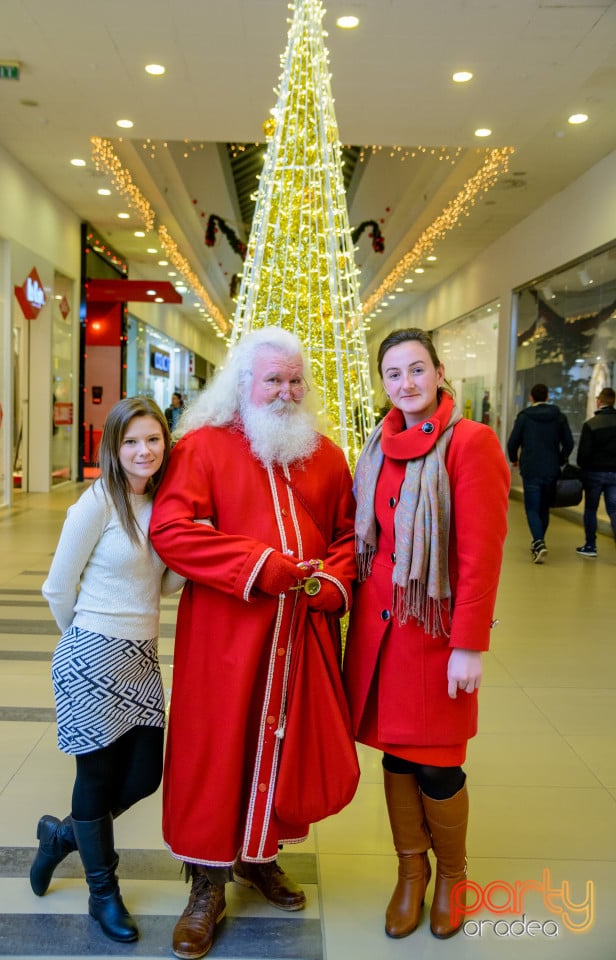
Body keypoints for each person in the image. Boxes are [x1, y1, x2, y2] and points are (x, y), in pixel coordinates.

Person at [149, 327, 357, 960]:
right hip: (225, 637)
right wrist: (258, 565)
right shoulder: (203, 448)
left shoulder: (326, 455)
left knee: (285, 749)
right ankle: (206, 881)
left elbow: (349, 539)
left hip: (299, 637)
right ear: (243, 384)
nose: (286, 391)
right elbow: (173, 531)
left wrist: (334, 586)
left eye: (295, 380)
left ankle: (258, 856)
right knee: (216, 751)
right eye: (273, 380)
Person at [343, 328, 510, 940]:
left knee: (438, 764)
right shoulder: (377, 444)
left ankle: (453, 876)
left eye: (417, 370)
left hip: (433, 634)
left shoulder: (471, 443)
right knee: (396, 754)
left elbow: (481, 552)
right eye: (393, 374)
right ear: (382, 383)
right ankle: (411, 871)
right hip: (380, 635)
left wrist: (468, 643)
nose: (406, 383)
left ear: (439, 373)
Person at [31, 397, 184, 943]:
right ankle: (103, 893)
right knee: (95, 778)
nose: (144, 451)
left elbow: (162, 584)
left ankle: (60, 838)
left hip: (141, 658)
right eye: (131, 442)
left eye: (153, 440)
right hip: (92, 652)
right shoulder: (95, 503)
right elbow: (56, 585)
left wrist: (195, 545)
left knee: (145, 775)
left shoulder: (164, 502)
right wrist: (85, 639)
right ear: (113, 449)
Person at [506, 382, 573, 563]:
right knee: (544, 508)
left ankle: (538, 541)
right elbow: (569, 443)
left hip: (531, 468)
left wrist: (514, 458)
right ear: (548, 396)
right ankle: (539, 542)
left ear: (531, 398)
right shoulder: (558, 416)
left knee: (532, 508)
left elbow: (513, 442)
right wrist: (561, 459)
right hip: (552, 469)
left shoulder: (524, 417)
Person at [575, 386, 616, 557]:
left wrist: (582, 469)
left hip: (594, 473)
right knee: (614, 510)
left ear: (599, 401)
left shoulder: (591, 424)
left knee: (591, 509)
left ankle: (590, 545)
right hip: (615, 473)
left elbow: (584, 453)